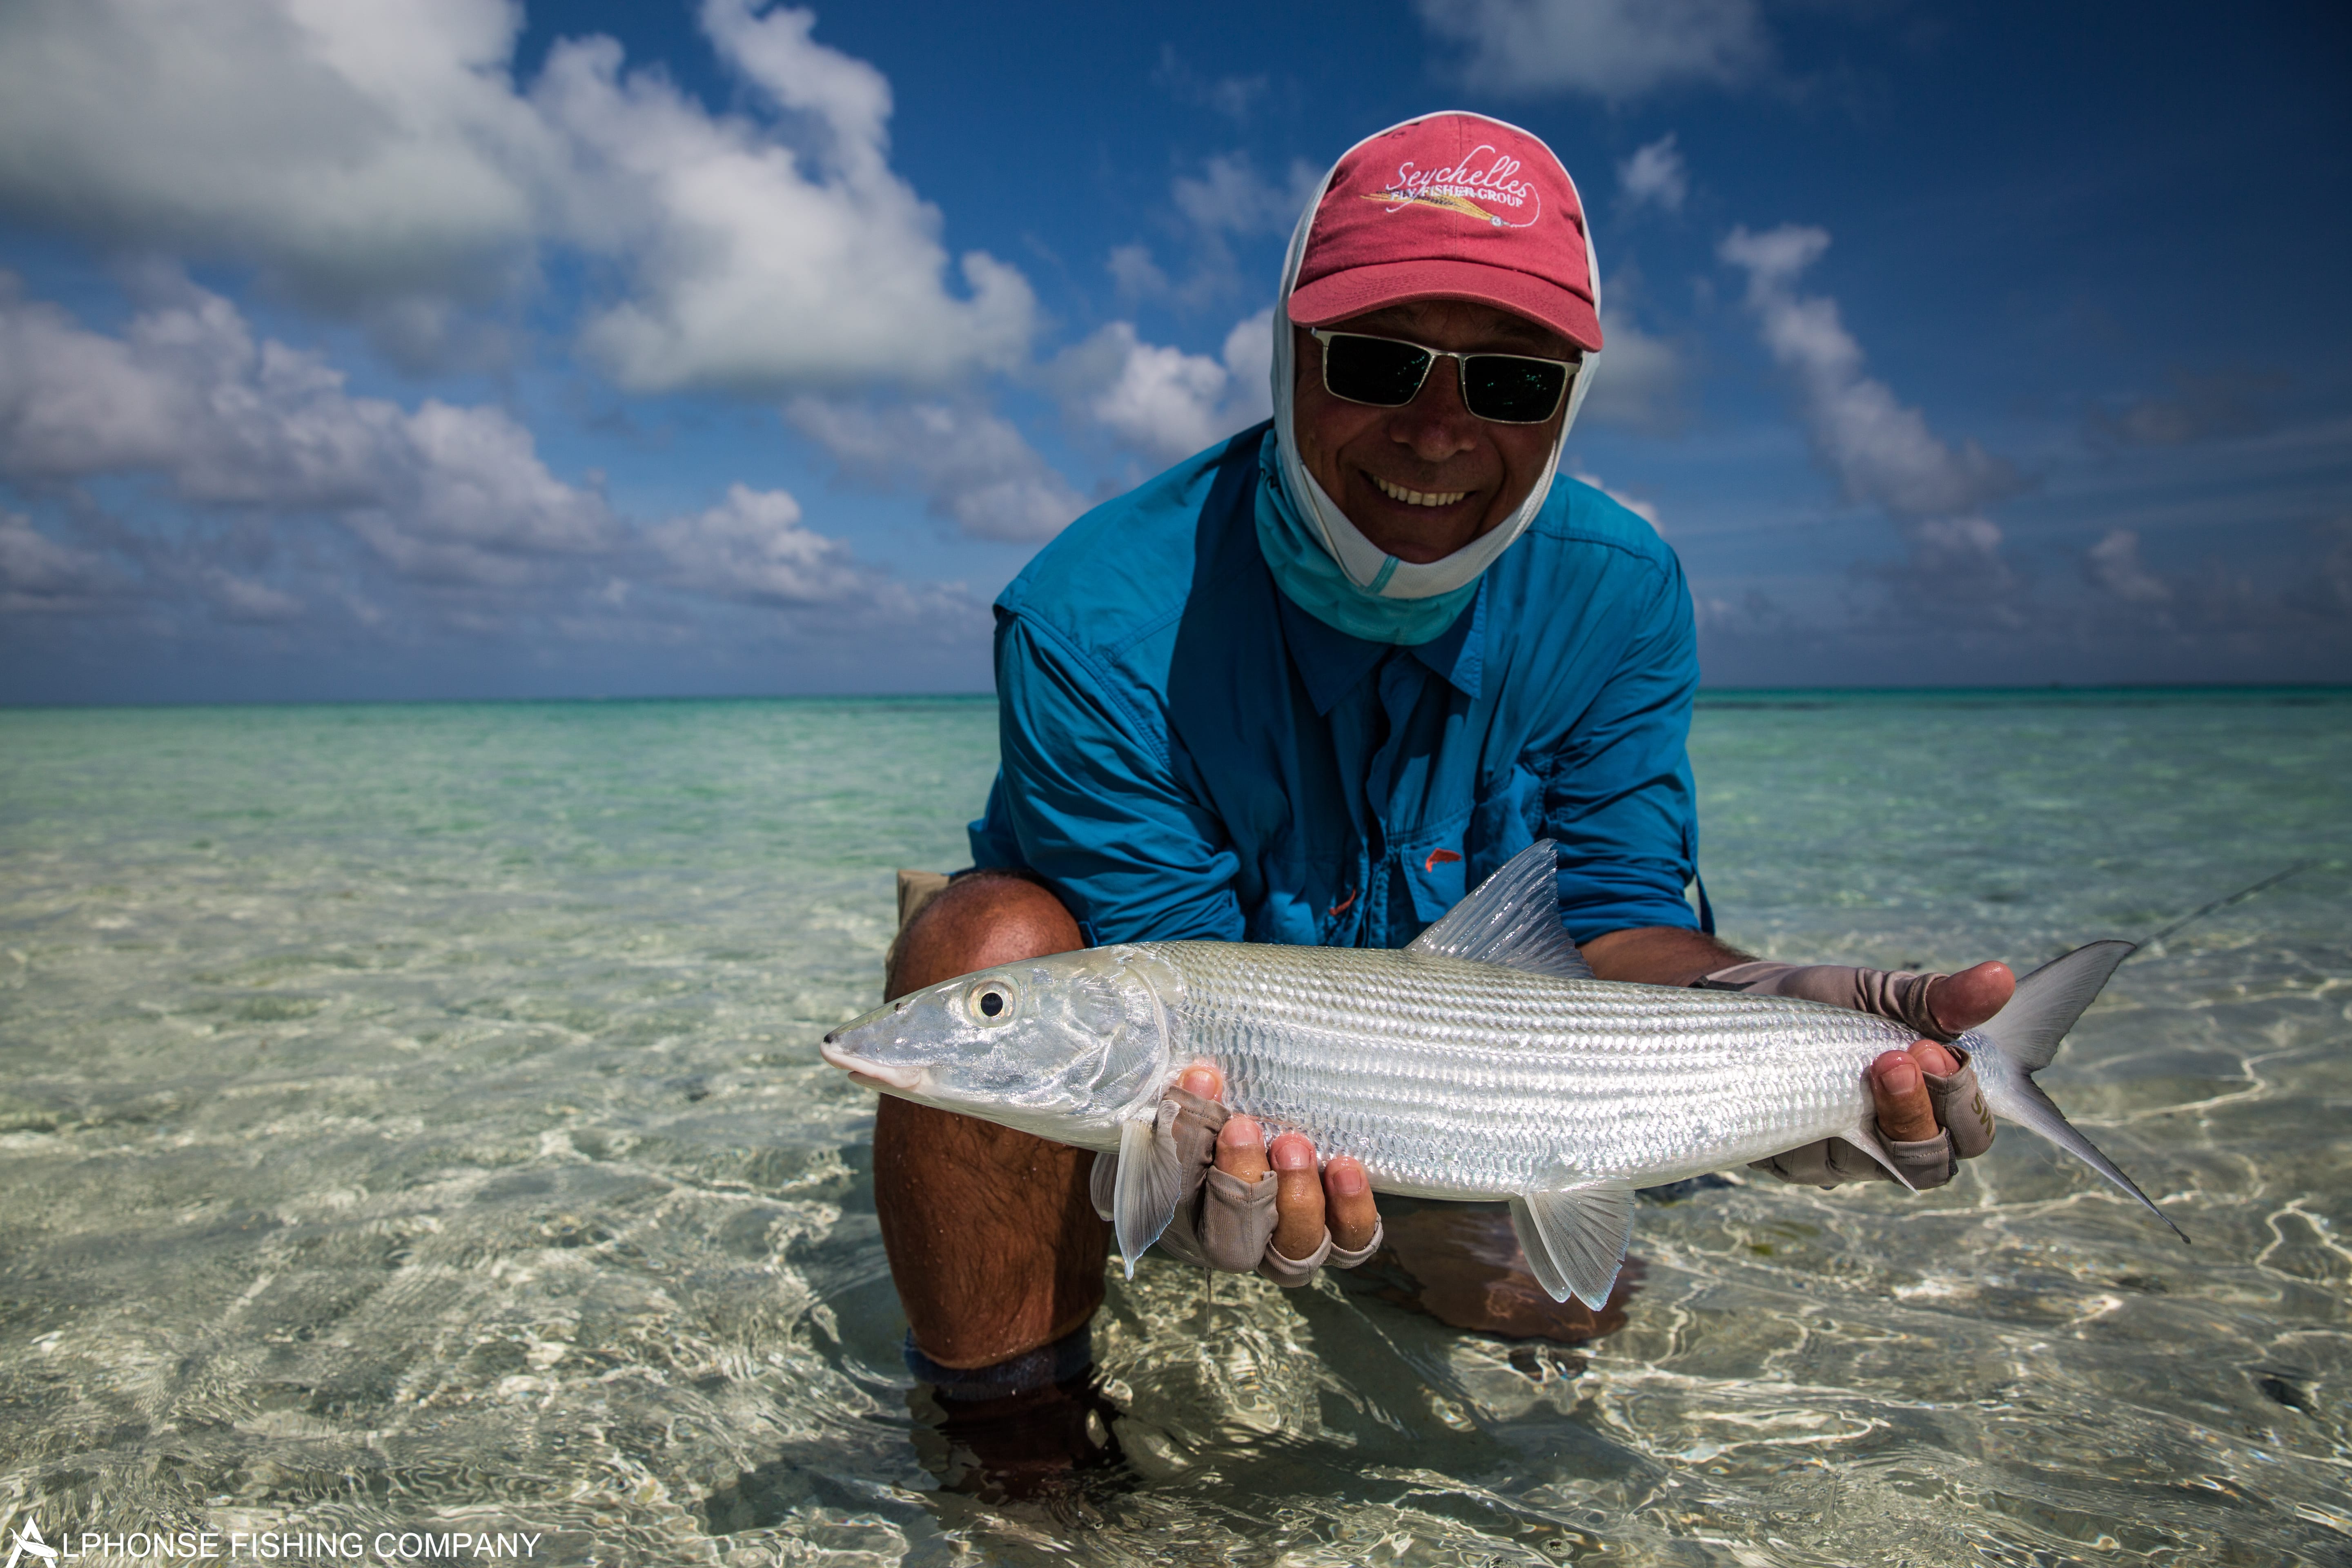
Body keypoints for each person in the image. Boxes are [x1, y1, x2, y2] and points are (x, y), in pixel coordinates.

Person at [872, 112, 2010, 1479]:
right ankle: (1018, 1454)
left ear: (1570, 402)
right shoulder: (1093, 615)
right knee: (978, 951)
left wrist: (1767, 1022)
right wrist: (1189, 1183)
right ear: (1289, 353)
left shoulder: (1620, 587)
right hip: (1266, 1057)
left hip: (1445, 1068)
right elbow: (1177, 998)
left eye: (1514, 384)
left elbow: (1615, 916)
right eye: (1375, 359)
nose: (1438, 427)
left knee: (1561, 1313)